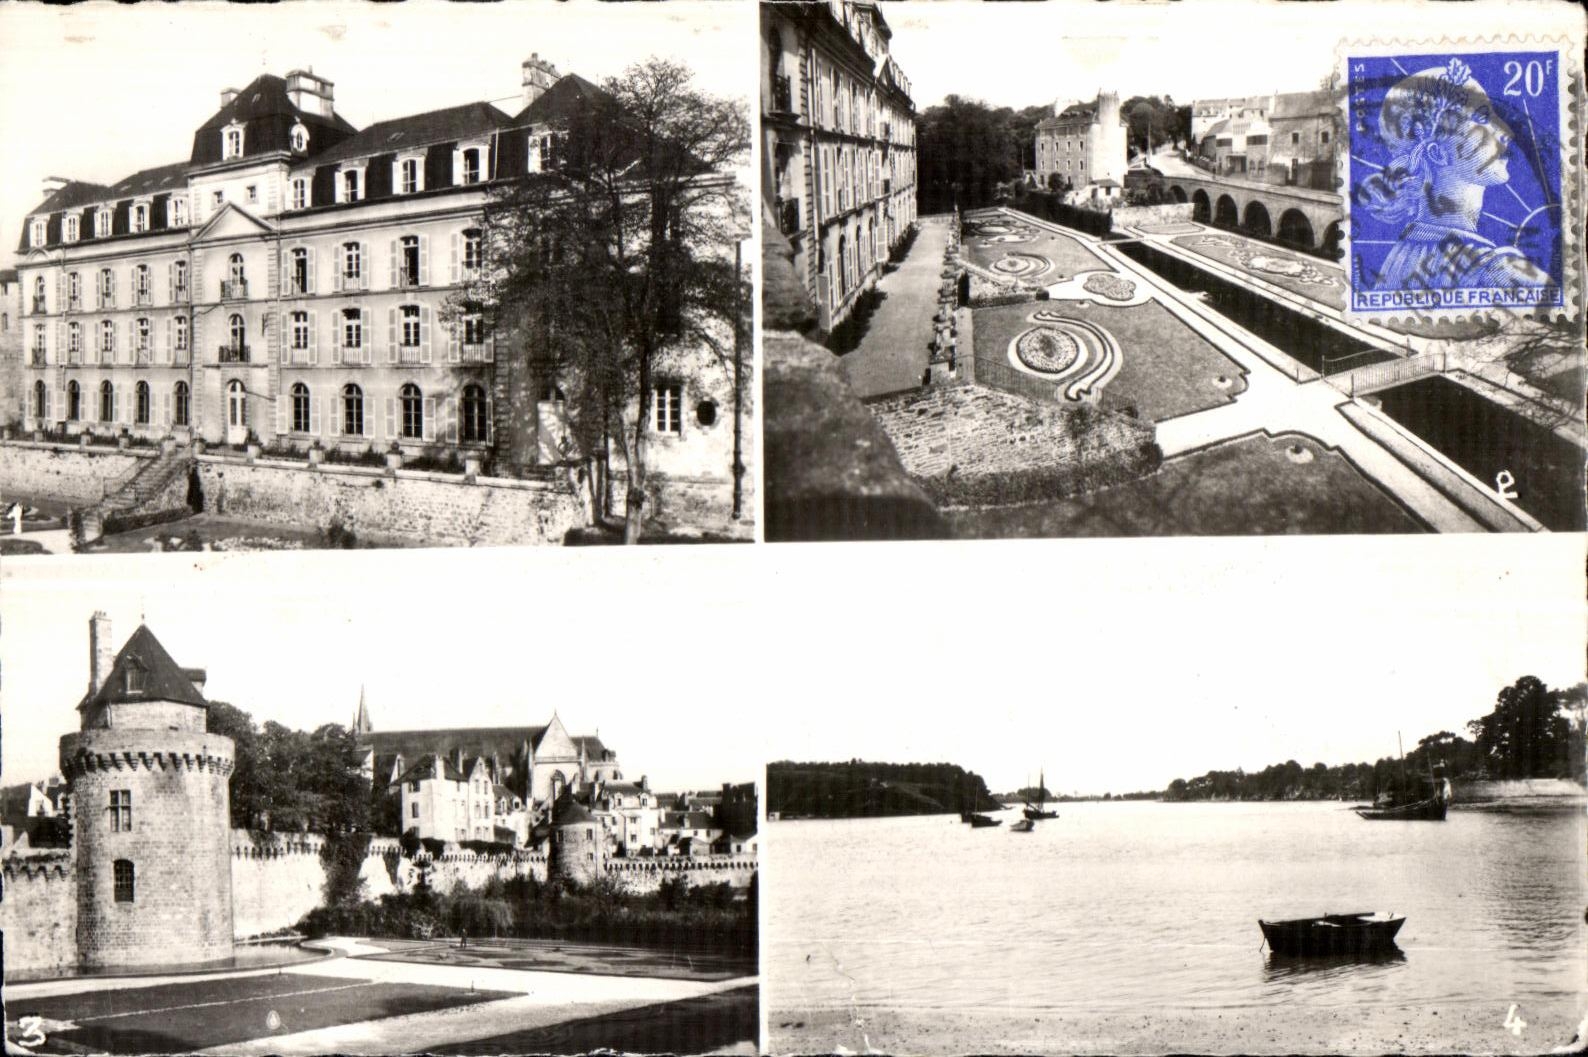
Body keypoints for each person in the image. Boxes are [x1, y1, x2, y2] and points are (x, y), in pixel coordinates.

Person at [1356, 57, 1550, 294]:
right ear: (1437, 153)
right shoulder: (1497, 271)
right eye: (1481, 119)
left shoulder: (1399, 256)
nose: (1505, 133)